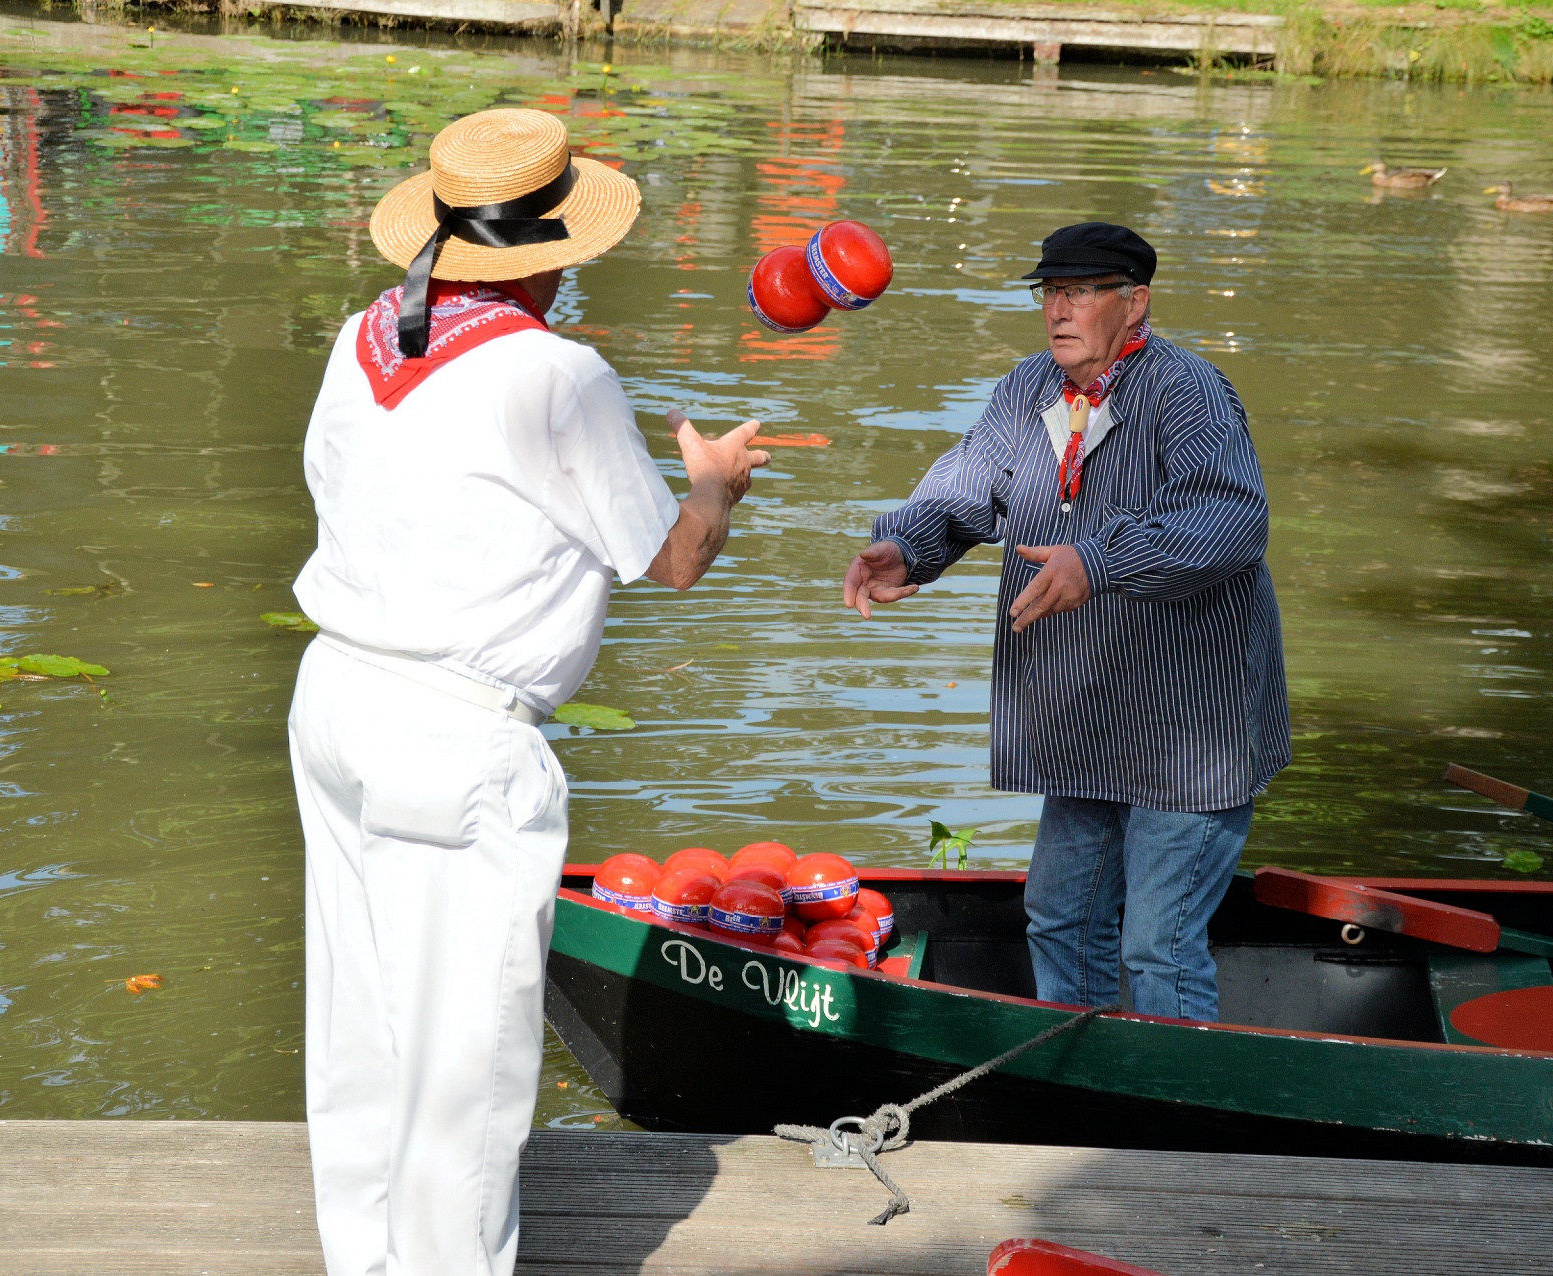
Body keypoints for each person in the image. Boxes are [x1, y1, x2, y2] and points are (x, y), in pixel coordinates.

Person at [287, 109, 767, 1276]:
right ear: (549, 253)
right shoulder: (556, 373)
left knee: (361, 1024)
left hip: (338, 696)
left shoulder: (363, 338)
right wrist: (713, 485)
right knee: (464, 1057)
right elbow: (670, 556)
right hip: (456, 735)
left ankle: (366, 1261)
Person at [843, 222, 1289, 1022]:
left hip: (1189, 730)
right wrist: (907, 547)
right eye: (1050, 292)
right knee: (1059, 918)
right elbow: (964, 486)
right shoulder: (1026, 391)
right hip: (1082, 721)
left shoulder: (1187, 391)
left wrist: (1099, 561)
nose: (1059, 310)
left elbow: (1232, 522)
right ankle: (1080, 1098)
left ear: (1135, 303)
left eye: (1082, 292)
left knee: (1159, 943)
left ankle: (1167, 1131)